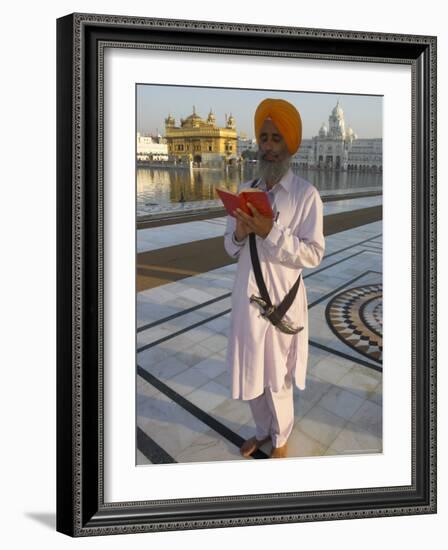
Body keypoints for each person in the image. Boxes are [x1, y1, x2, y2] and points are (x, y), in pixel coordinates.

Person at [223, 98, 325, 459]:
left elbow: (313, 253)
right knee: (252, 375)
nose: (267, 146)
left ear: (289, 145)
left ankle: (280, 439)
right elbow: (231, 249)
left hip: (282, 303)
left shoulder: (306, 196)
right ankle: (262, 431)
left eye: (275, 138)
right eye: (263, 138)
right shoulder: (246, 189)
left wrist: (271, 232)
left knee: (278, 378)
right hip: (247, 301)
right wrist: (238, 231)